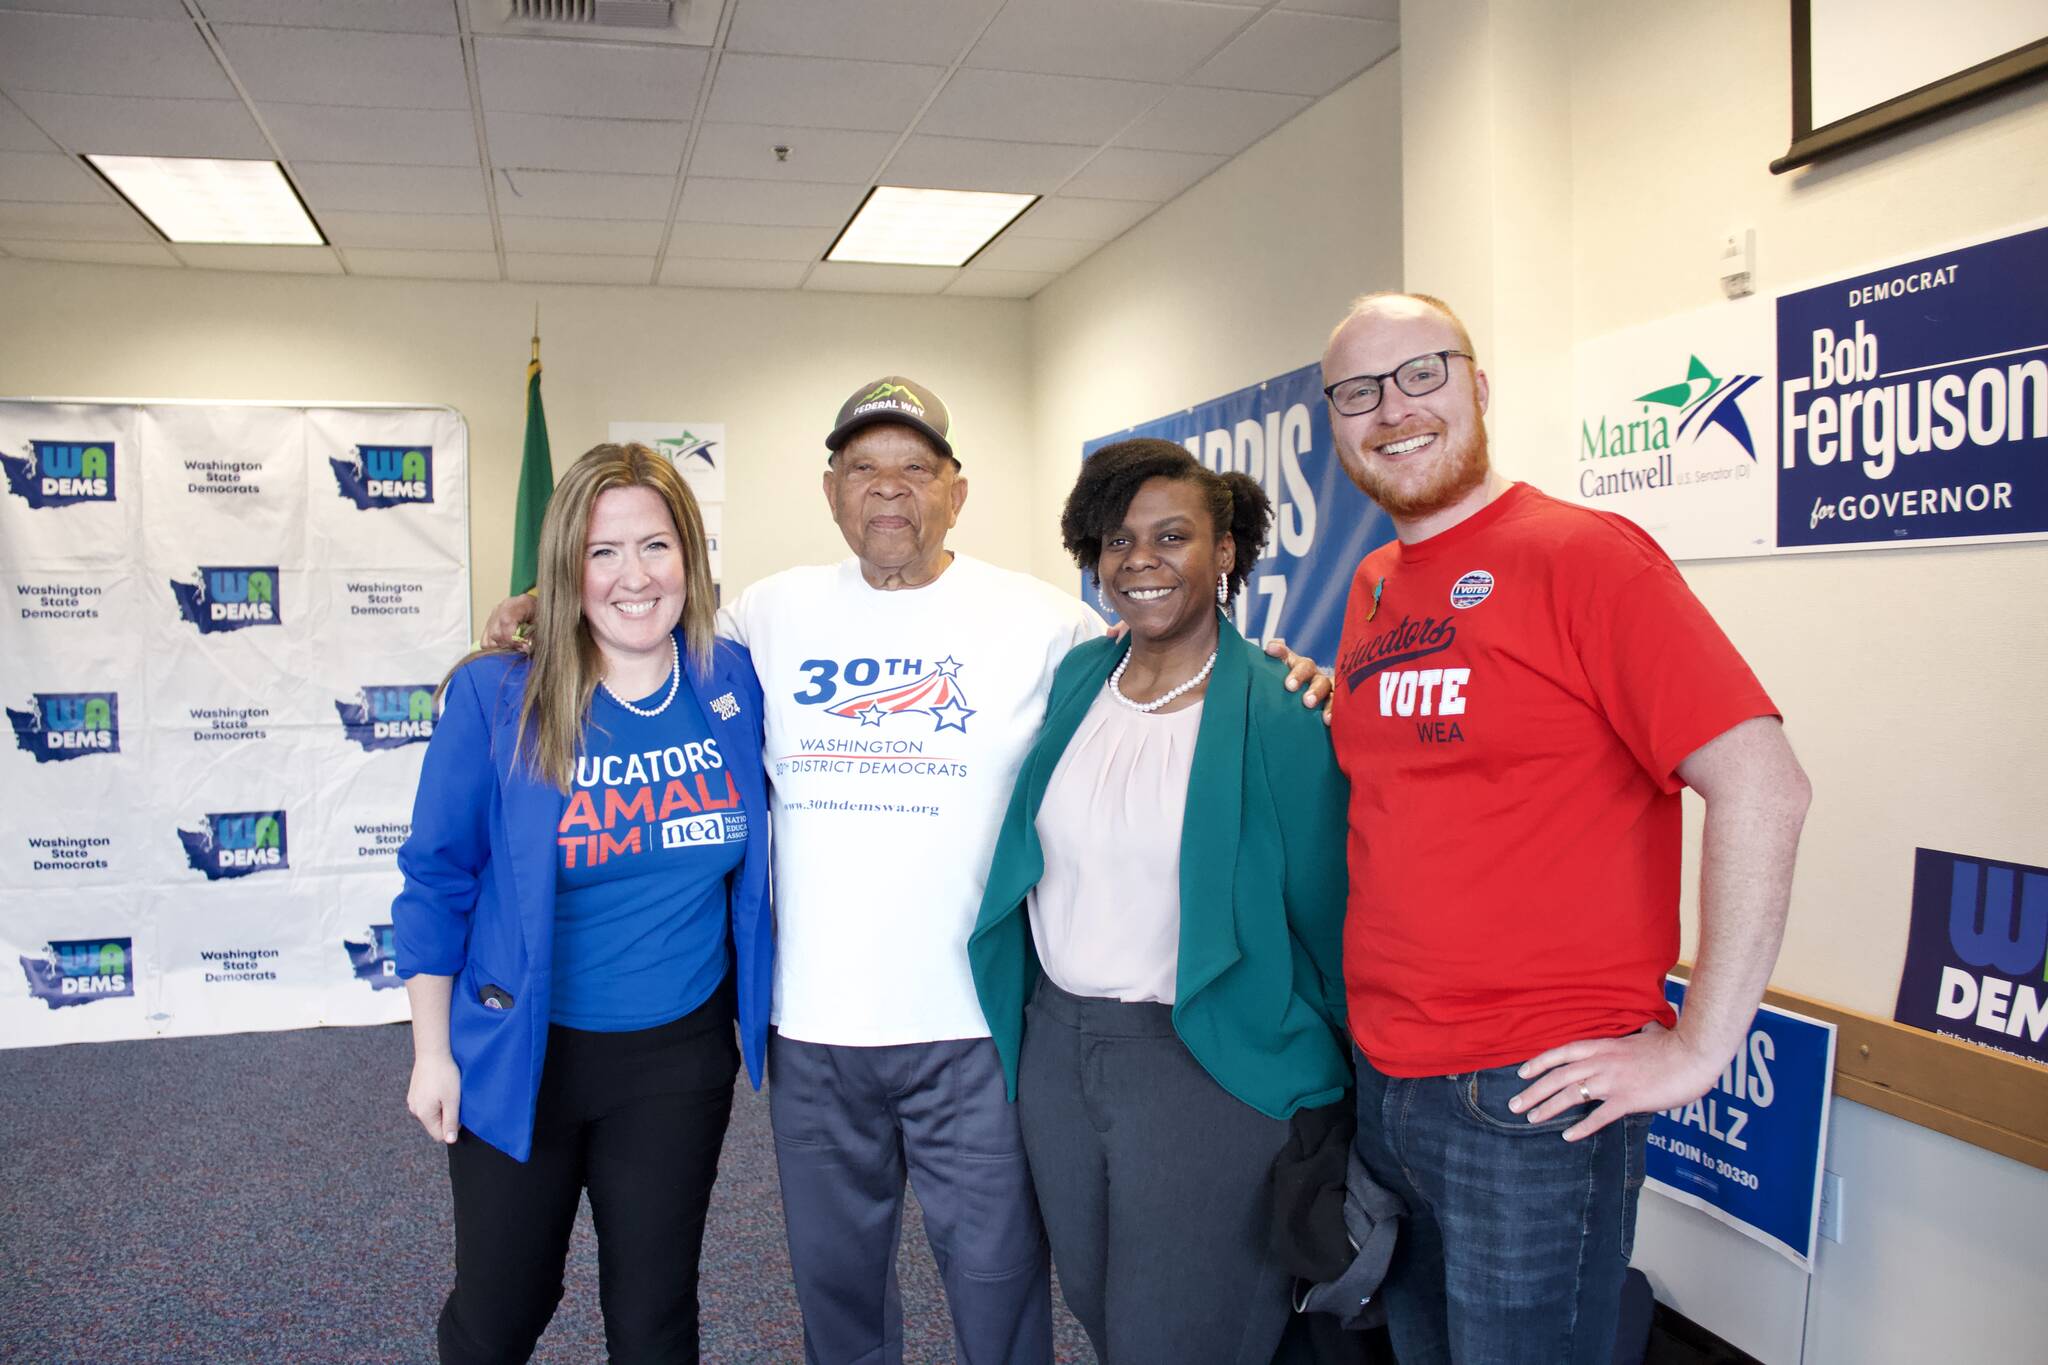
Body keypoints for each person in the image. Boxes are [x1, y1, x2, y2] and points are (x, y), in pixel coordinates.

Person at [480, 377, 1331, 1365]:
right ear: (830, 490)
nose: (889, 491)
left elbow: (1167, 650)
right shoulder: (766, 614)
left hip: (970, 1034)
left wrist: (1288, 671)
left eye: (914, 470)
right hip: (814, 1036)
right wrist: (546, 600)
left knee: (998, 1292)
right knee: (835, 1298)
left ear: (955, 492)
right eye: (863, 470)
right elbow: (637, 623)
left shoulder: (1041, 622)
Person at [1320, 293, 1811, 1364]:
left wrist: (1698, 1048)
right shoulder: (1371, 586)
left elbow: (1762, 784)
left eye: (1420, 374)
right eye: (1356, 392)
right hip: (1389, 1082)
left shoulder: (1583, 556)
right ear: (1333, 422)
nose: (1390, 410)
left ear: (1478, 388)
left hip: (1531, 1100)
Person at [967, 439, 1352, 1364]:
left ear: (1225, 553)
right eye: (1117, 539)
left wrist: (1347, 1097)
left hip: (1207, 1066)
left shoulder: (1281, 708)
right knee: (1101, 1307)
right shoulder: (1078, 680)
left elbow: (1330, 916)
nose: (1140, 559)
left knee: (1179, 1333)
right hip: (1058, 1053)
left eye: (1172, 535)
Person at [393, 442, 772, 1365]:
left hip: (678, 1057)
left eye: (655, 546)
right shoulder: (498, 693)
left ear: (691, 555)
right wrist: (430, 1052)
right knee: (502, 1308)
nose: (633, 576)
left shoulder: (734, 679)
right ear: (567, 566)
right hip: (523, 1050)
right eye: (602, 552)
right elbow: (437, 878)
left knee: (654, 1319)